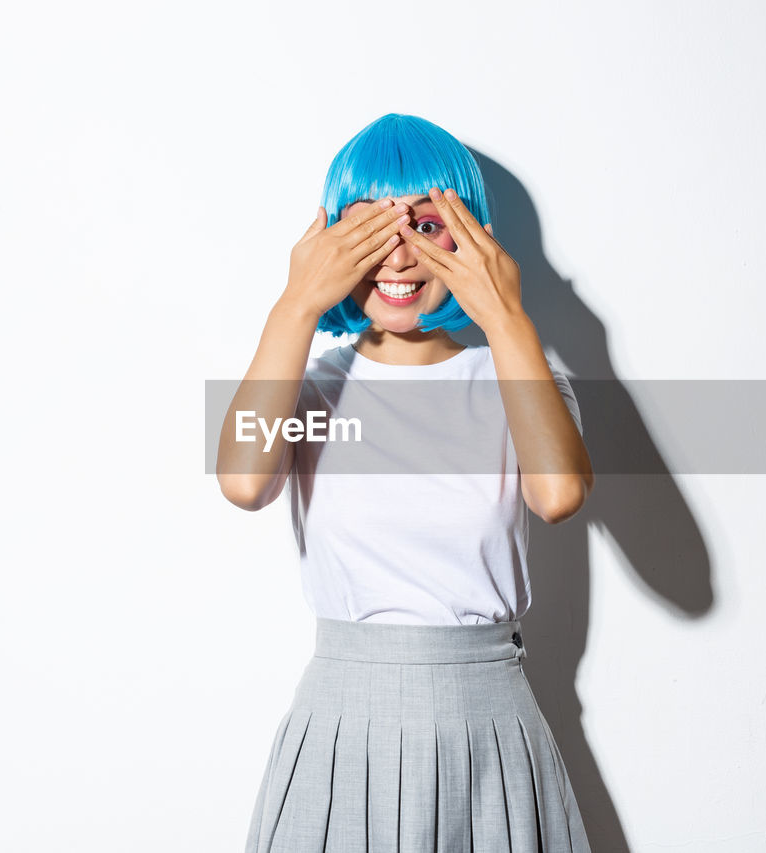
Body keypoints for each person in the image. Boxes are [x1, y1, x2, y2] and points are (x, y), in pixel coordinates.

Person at [216, 113, 594, 852]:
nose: (398, 255)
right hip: (340, 725)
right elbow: (240, 480)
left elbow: (558, 495)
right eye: (368, 228)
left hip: (488, 722)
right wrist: (296, 302)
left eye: (427, 225)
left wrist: (506, 313)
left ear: (472, 234)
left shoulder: (518, 379)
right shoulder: (308, 388)